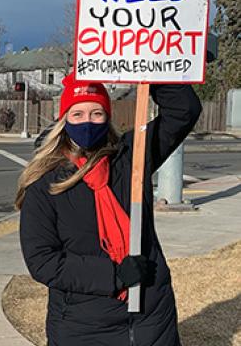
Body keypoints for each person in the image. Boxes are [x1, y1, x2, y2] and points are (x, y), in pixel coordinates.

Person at [16, 73, 202, 346]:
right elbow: (42, 261)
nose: (87, 121)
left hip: (151, 318)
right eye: (77, 114)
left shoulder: (131, 157)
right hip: (83, 326)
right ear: (64, 119)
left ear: (108, 116)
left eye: (97, 113)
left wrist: (152, 66)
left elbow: (183, 111)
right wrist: (113, 275)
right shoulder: (45, 182)